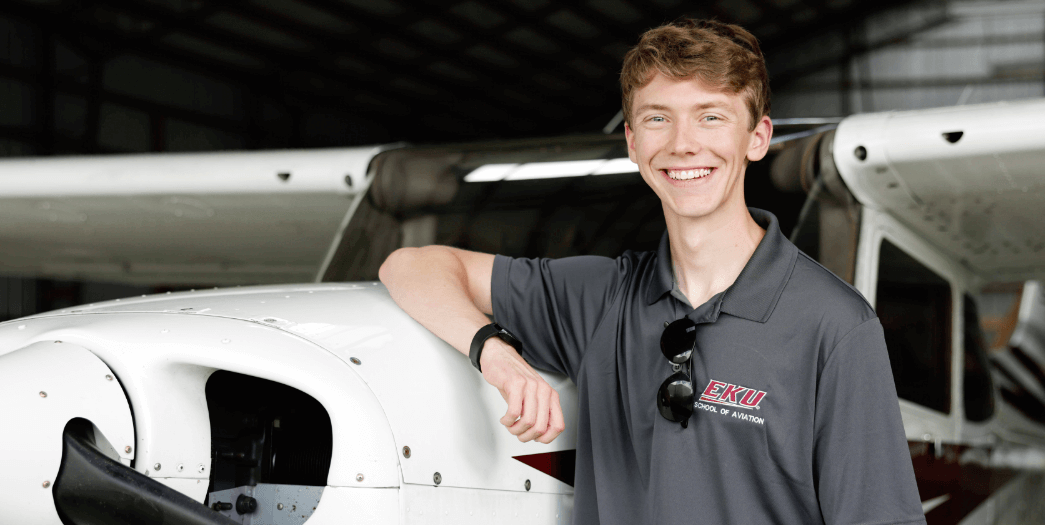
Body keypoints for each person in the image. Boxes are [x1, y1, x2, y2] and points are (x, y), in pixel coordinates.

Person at [379, 19, 926, 525]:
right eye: (658, 118)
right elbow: (412, 267)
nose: (683, 142)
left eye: (712, 116)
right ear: (634, 143)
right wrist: (498, 356)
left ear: (757, 138)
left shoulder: (835, 325)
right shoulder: (598, 297)